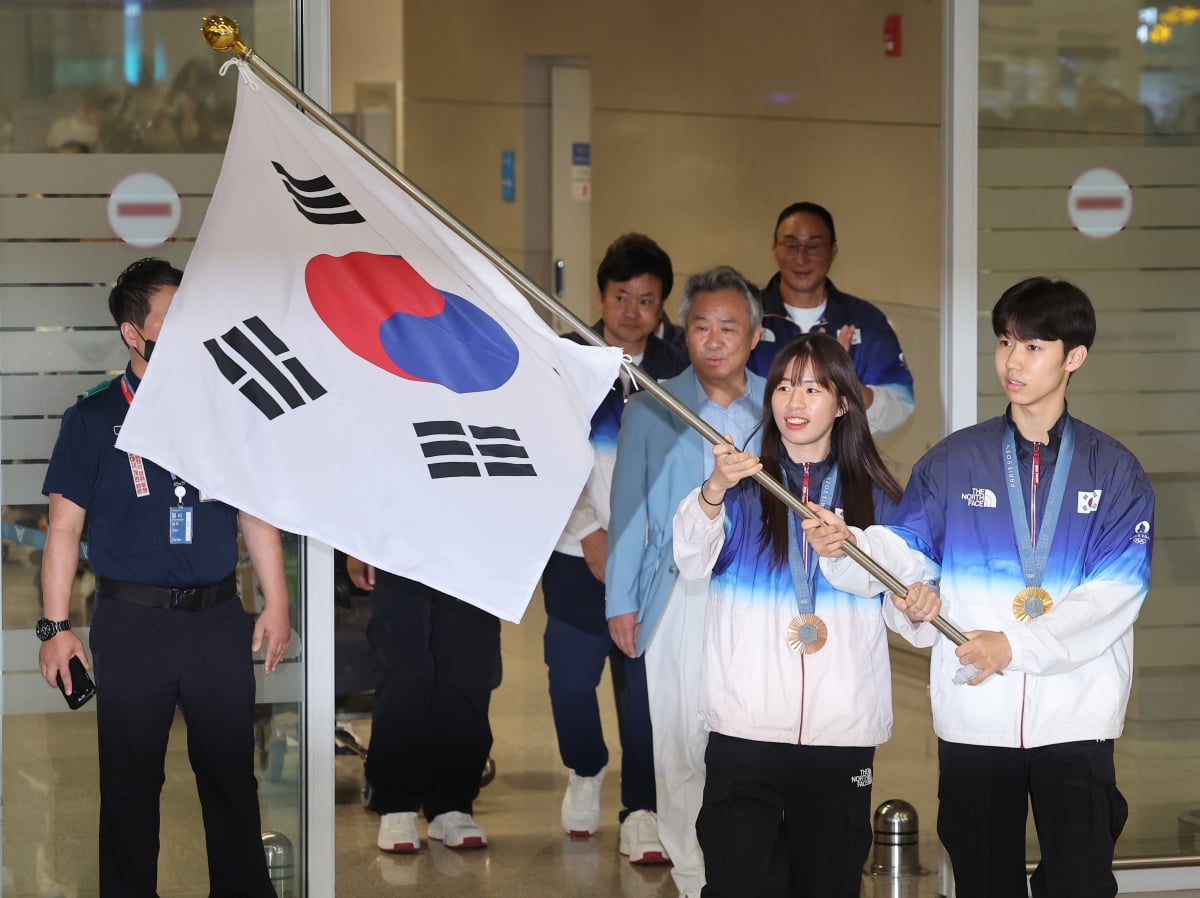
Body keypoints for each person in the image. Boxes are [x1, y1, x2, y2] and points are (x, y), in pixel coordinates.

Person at [807, 277, 1155, 898]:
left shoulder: (1116, 471)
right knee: (982, 881)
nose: (1012, 362)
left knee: (1079, 881)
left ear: (1073, 357)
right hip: (975, 715)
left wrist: (1014, 647)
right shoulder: (951, 461)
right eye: (1003, 343)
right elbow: (905, 551)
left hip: (1076, 719)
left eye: (1033, 347)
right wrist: (849, 547)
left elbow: (1113, 598)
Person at [37, 257, 291, 897]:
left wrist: (276, 602)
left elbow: (254, 512)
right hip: (131, 627)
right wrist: (55, 626)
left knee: (232, 781)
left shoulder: (224, 405)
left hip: (215, 623)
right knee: (129, 786)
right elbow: (63, 530)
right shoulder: (92, 420)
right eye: (170, 317)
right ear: (132, 332)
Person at [672, 333, 924, 897]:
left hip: (841, 735)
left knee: (829, 885)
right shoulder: (742, 487)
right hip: (745, 732)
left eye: (813, 388)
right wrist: (713, 488)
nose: (794, 401)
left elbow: (908, 615)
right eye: (784, 386)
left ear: (842, 404)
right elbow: (689, 557)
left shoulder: (878, 495)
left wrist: (908, 592)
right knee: (738, 884)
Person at [607, 265, 766, 898]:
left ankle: (745, 863)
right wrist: (621, 600)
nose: (713, 340)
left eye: (728, 327)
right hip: (676, 596)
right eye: (700, 326)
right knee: (676, 740)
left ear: (754, 336)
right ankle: (696, 876)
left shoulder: (780, 405)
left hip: (754, 599)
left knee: (747, 739)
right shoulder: (653, 406)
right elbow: (628, 515)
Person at [546, 233, 686, 860]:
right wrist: (586, 531)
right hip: (578, 555)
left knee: (644, 693)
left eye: (647, 300)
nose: (632, 311)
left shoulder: (682, 368)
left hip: (655, 560)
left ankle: (642, 809)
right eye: (620, 296)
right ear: (600, 296)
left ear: (663, 306)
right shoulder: (566, 363)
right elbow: (545, 461)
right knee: (571, 684)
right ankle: (584, 768)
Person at [349, 559, 501, 854]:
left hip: (472, 547)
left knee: (466, 674)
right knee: (403, 671)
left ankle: (453, 804)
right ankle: (396, 805)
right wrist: (358, 547)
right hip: (399, 544)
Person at [749, 202, 914, 436]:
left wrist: (844, 379)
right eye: (791, 245)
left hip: (839, 466)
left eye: (814, 246)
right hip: (758, 462)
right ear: (774, 248)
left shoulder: (865, 320)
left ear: (833, 250)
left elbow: (900, 407)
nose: (801, 258)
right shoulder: (749, 315)